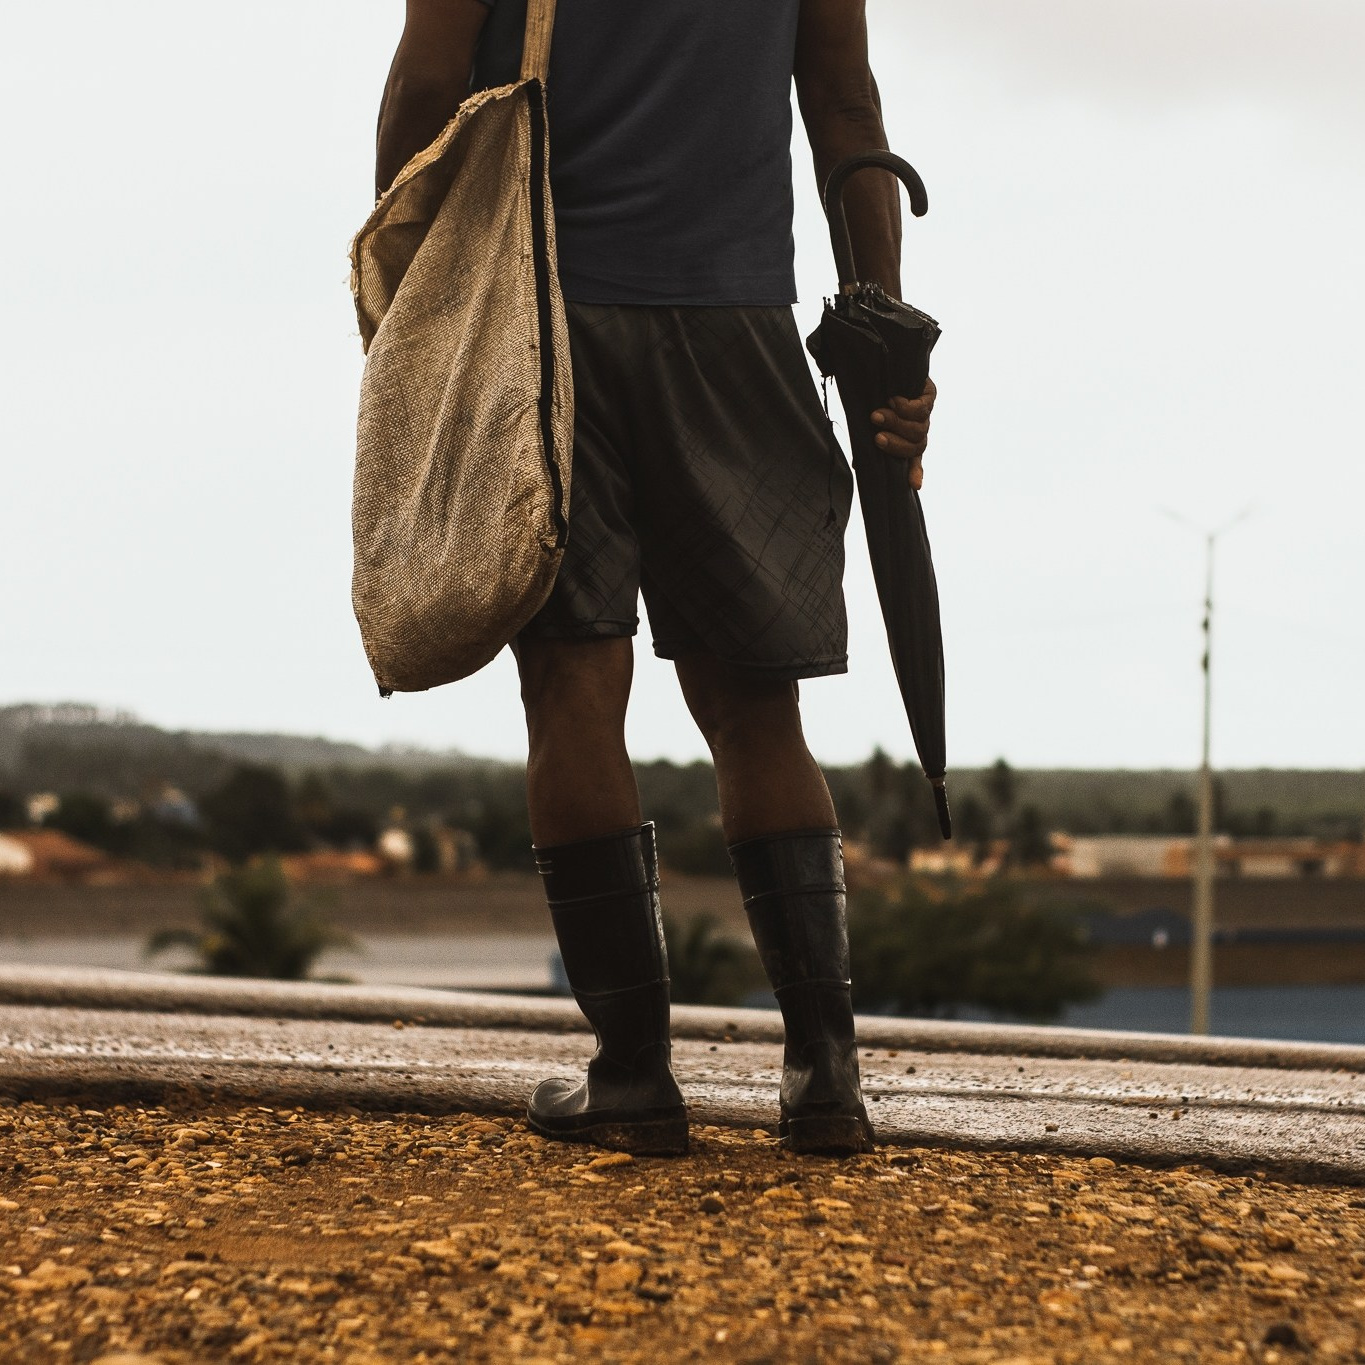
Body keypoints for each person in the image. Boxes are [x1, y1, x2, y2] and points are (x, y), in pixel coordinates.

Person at [375, 0, 936, 1156]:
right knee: (756, 705)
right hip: (739, 322)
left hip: (547, 320)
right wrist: (876, 313)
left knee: (574, 688)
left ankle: (634, 1079)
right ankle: (825, 1078)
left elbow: (428, 90)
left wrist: (404, 309)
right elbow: (846, 110)